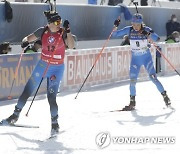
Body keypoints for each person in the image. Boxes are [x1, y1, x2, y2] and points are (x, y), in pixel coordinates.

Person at [0, 10, 75, 136]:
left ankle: (55, 124)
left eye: (60, 21)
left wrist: (68, 32)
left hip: (56, 69)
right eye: (56, 22)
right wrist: (24, 41)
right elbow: (27, 38)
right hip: (42, 65)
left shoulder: (63, 33)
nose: (59, 24)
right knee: (27, 90)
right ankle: (15, 115)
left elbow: (71, 46)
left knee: (51, 97)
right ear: (50, 23)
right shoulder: (42, 31)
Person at [113, 13, 171, 111]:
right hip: (135, 59)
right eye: (134, 24)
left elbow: (157, 38)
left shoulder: (146, 29)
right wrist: (115, 26)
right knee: (132, 80)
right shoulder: (129, 29)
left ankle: (165, 96)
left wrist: (148, 34)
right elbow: (114, 34)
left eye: (138, 24)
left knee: (153, 78)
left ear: (141, 23)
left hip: (146, 58)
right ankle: (132, 102)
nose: (135, 27)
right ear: (132, 23)